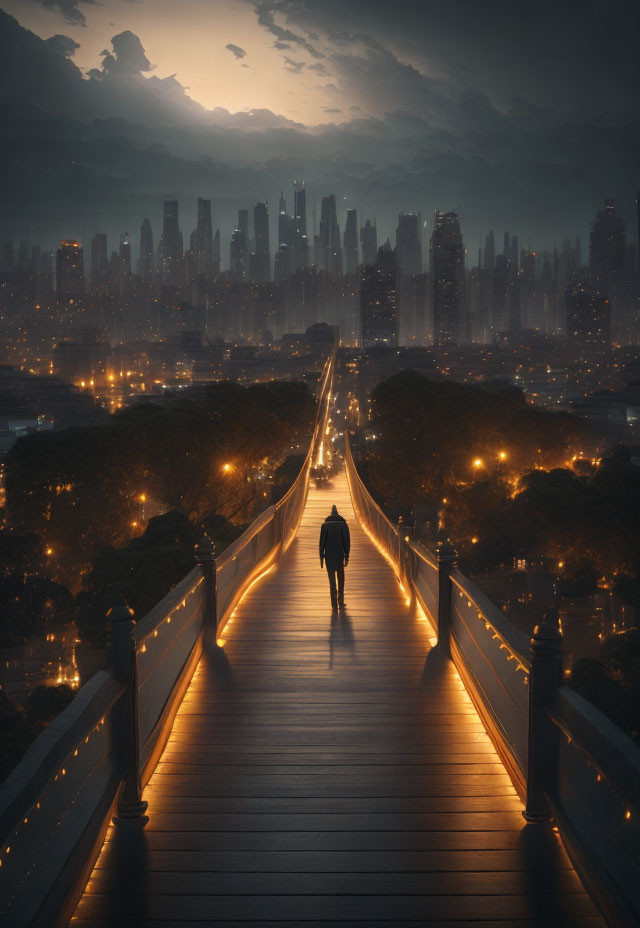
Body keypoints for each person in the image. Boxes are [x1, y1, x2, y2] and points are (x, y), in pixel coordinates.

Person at [319, 504, 350, 609]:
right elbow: (347, 542)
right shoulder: (343, 525)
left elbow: (321, 543)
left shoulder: (325, 525)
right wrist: (347, 556)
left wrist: (321, 558)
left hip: (329, 557)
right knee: (341, 579)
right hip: (339, 556)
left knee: (332, 581)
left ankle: (334, 604)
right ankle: (340, 600)